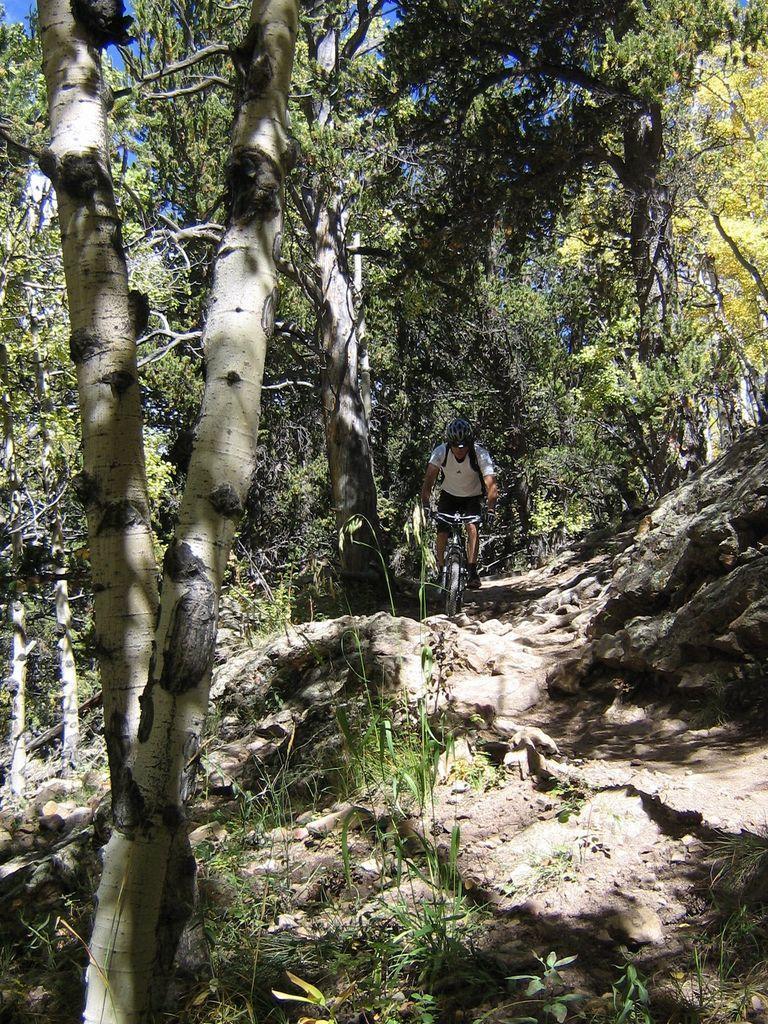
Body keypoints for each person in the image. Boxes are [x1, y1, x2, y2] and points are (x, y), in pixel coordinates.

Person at [420, 417, 498, 589]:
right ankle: (441, 571)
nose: (459, 450)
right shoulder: (441, 452)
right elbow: (428, 481)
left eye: (463, 446)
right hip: (449, 495)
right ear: (450, 444)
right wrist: (426, 505)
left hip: (473, 496)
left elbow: (491, 484)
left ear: (469, 442)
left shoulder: (480, 454)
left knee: (472, 527)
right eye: (455, 446)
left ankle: (472, 571)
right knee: (442, 530)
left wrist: (491, 509)